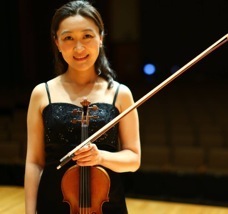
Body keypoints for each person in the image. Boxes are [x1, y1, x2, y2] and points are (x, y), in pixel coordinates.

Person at [24, 0, 141, 213]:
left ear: (101, 37)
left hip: (106, 205)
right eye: (68, 38)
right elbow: (34, 162)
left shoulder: (120, 94)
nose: (79, 48)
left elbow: (133, 159)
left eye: (87, 36)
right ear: (57, 42)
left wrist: (101, 157)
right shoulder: (42, 93)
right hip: (52, 205)